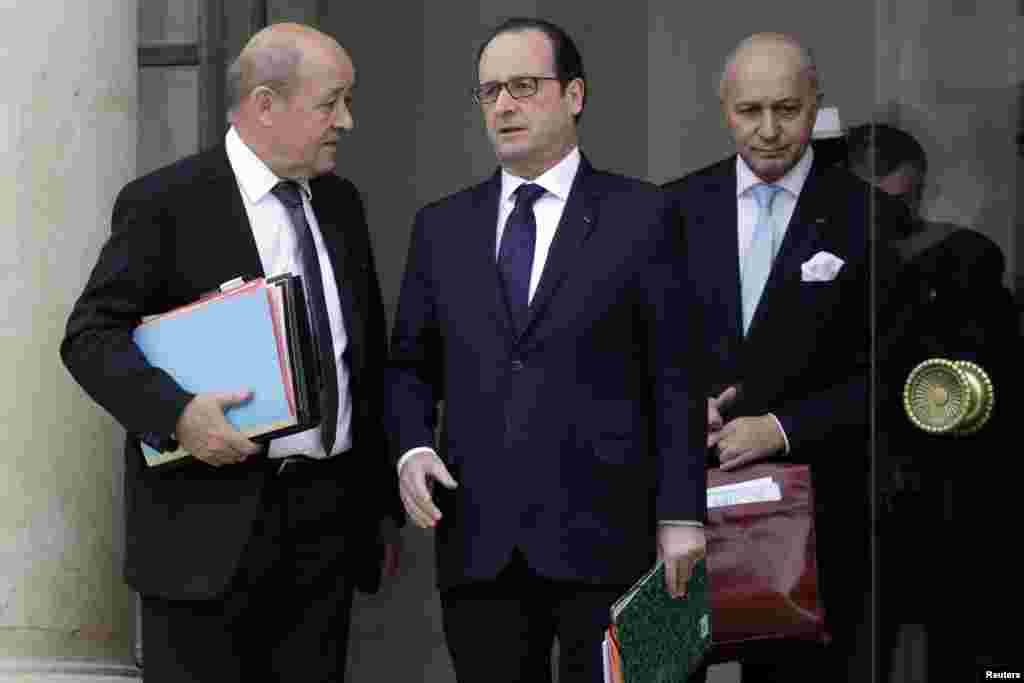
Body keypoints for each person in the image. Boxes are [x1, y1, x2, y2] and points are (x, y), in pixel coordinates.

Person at [60, 23, 401, 683]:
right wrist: (178, 411)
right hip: (204, 536)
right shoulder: (166, 203)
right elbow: (90, 335)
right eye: (330, 103)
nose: (347, 121)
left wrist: (376, 508)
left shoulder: (341, 204)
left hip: (325, 534)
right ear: (266, 104)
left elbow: (364, 359)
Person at [385, 17, 707, 683]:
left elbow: (676, 375)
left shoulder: (642, 216)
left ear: (575, 96)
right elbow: (410, 364)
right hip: (480, 539)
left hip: (612, 537)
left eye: (525, 86)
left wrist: (682, 513)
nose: (503, 105)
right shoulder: (442, 227)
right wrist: (413, 445)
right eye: (489, 91)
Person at [663, 33, 905, 682]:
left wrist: (781, 426)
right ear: (724, 108)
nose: (769, 131)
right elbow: (629, 352)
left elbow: (893, 376)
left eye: (788, 110)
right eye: (750, 112)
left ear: (815, 103)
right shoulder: (672, 210)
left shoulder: (869, 217)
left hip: (812, 526)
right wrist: (682, 406)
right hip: (682, 512)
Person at [848, 122, 1020, 680]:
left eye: (899, 205)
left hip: (944, 494)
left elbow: (987, 385)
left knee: (969, 651)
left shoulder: (963, 259)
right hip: (856, 499)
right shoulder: (813, 267)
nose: (888, 223)